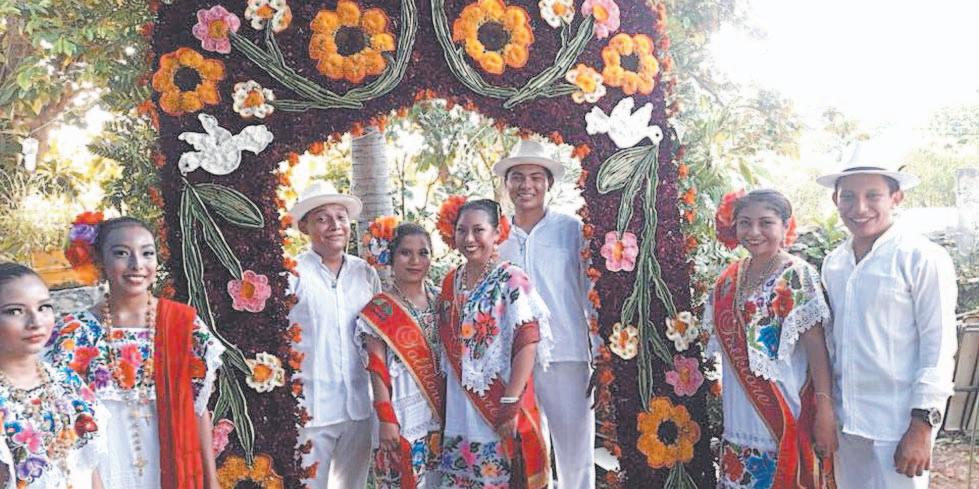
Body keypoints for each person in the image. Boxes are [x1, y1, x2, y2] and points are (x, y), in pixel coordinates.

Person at [46, 217, 224, 489]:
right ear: (99, 260)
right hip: (105, 470)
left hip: (171, 466)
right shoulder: (76, 333)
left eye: (147, 253)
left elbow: (198, 410)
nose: (137, 264)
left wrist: (211, 481)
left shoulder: (184, 325)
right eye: (121, 253)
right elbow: (68, 425)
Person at [817, 163, 957, 488]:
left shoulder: (922, 257)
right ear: (835, 200)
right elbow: (832, 344)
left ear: (896, 197)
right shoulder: (834, 264)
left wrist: (922, 425)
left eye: (873, 196)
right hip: (847, 426)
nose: (860, 208)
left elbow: (938, 346)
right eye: (848, 196)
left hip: (898, 425)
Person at [705, 189, 836, 488]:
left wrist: (825, 410)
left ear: (785, 225)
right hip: (739, 420)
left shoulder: (798, 276)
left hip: (783, 415)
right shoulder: (728, 280)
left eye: (765, 222)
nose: (754, 232)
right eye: (745, 222)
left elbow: (818, 350)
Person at [494, 139, 596, 488]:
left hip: (567, 356)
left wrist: (599, 353)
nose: (526, 185)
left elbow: (590, 293)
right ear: (506, 183)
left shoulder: (572, 230)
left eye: (536, 177)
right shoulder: (496, 236)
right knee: (524, 458)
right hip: (512, 363)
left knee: (575, 459)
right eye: (517, 177)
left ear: (548, 183)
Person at [437, 198, 553, 489]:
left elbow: (528, 340)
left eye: (478, 230)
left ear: (497, 233)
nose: (469, 239)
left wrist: (510, 402)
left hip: (498, 401)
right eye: (462, 230)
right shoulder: (450, 281)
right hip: (459, 406)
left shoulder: (511, 279)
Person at [287, 181, 381, 488]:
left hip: (359, 406)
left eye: (340, 217)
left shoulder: (364, 273)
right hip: (312, 409)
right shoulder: (292, 274)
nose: (334, 225)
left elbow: (376, 335)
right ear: (305, 227)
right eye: (322, 219)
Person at [0, 263, 107, 489]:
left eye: (44, 307)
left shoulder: (66, 381)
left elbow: (90, 469)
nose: (35, 322)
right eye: (15, 311)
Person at [356, 223, 443, 488]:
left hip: (440, 416)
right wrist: (386, 419)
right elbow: (376, 367)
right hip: (400, 416)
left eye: (423, 253)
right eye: (405, 253)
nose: (415, 261)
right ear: (390, 257)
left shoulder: (442, 301)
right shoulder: (379, 309)